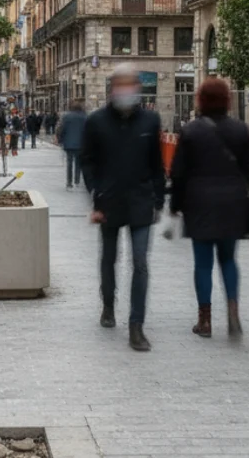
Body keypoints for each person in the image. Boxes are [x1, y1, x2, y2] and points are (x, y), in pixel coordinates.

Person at [80, 64, 166, 352]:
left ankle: (136, 326)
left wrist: (159, 200)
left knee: (140, 263)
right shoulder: (96, 122)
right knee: (109, 259)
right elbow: (88, 161)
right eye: (121, 85)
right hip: (109, 202)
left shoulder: (150, 121)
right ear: (112, 88)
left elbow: (156, 163)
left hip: (141, 202)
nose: (126, 90)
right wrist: (96, 192)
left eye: (131, 85)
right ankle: (107, 304)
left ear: (138, 89)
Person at [169, 78, 249, 338]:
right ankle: (233, 310)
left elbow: (178, 173)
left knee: (203, 263)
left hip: (199, 204)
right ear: (227, 100)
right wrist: (243, 190)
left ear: (201, 100)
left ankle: (205, 320)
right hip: (232, 203)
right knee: (229, 259)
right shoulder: (241, 130)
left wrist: (175, 205)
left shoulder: (191, 131)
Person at [56, 100, 87, 189]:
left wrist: (60, 140)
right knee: (78, 163)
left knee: (69, 163)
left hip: (68, 143)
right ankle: (77, 180)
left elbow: (61, 129)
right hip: (81, 144)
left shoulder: (66, 116)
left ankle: (69, 182)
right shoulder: (84, 117)